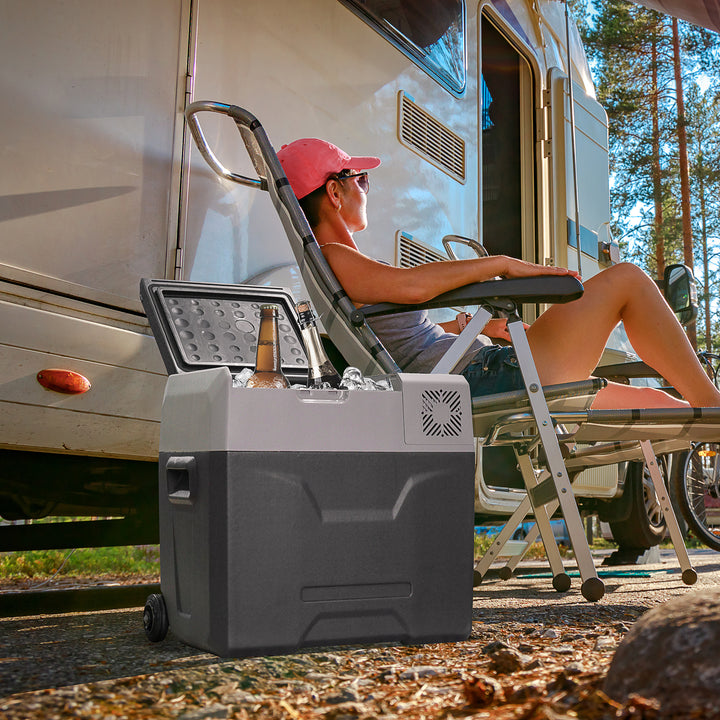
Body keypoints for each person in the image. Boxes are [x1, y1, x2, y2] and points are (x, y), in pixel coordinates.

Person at [277, 138, 720, 410]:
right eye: (359, 180)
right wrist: (501, 265)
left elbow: (408, 332)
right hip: (490, 377)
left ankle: (707, 414)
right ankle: (714, 408)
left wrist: (474, 326)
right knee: (626, 279)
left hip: (485, 367)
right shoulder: (336, 256)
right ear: (334, 191)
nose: (365, 188)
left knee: (659, 404)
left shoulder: (341, 264)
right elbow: (411, 288)